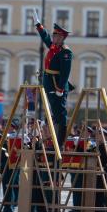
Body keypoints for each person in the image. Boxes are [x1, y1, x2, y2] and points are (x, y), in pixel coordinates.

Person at [33, 10, 74, 147]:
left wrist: (60, 88)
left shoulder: (65, 52)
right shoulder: (54, 47)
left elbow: (65, 72)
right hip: (49, 83)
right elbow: (45, 38)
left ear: (61, 37)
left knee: (59, 114)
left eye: (55, 35)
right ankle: (53, 140)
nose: (53, 37)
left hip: (57, 85)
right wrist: (38, 25)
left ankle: (60, 142)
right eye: (53, 35)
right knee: (53, 112)